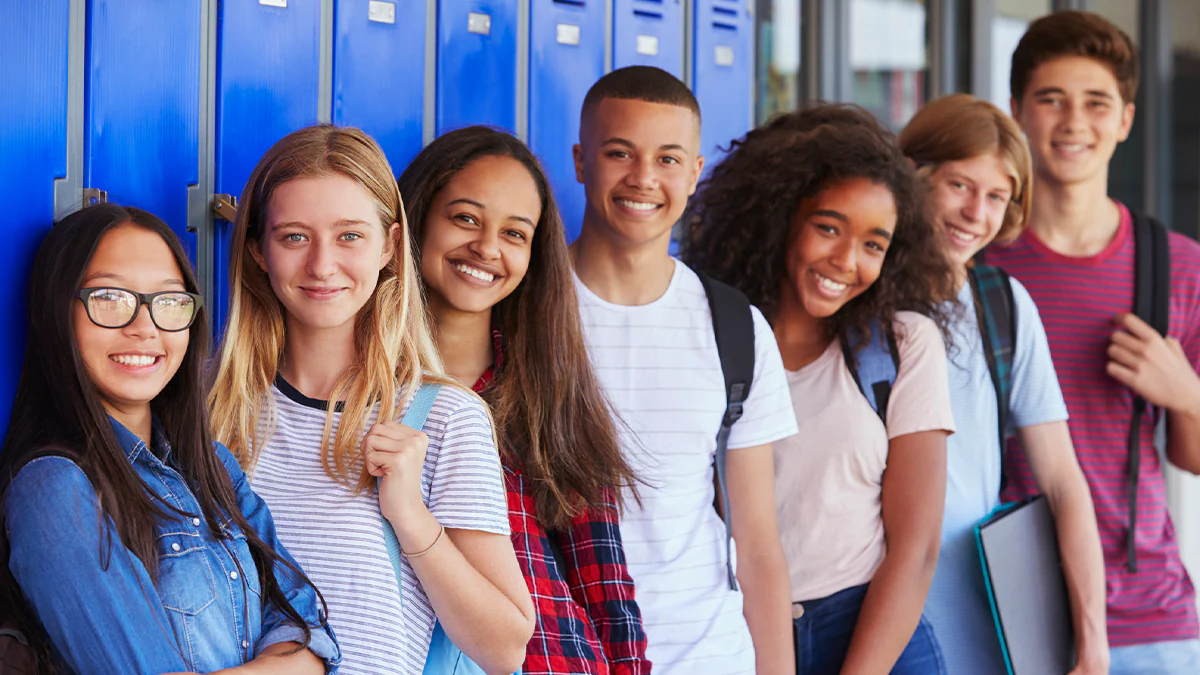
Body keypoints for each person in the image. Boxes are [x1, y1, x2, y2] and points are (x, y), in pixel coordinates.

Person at [207, 124, 535, 675]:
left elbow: (505, 648)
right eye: (293, 236)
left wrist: (410, 517)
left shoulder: (446, 418)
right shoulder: (209, 406)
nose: (321, 265)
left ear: (390, 246)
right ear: (258, 250)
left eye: (350, 236)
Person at [0, 203, 340, 674]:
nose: (144, 327)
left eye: (169, 302)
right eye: (109, 299)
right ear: (58, 311)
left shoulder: (212, 467)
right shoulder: (56, 490)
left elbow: (307, 627)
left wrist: (304, 659)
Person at [685, 103, 956, 675]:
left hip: (870, 633)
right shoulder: (708, 336)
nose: (846, 261)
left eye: (873, 245)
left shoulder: (902, 346)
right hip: (736, 631)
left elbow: (915, 551)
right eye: (829, 228)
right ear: (782, 217)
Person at [985, 12, 1200, 673]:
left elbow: (1192, 457)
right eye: (1051, 100)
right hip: (996, 606)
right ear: (1018, 111)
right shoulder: (978, 266)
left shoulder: (1178, 266)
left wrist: (1188, 396)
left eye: (1096, 103)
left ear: (1126, 120)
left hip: (1145, 615)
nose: (1074, 121)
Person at [568, 65, 797, 675]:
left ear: (695, 173)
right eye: (620, 152)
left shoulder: (735, 327)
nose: (644, 178)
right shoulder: (523, 310)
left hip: (706, 655)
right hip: (560, 654)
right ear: (580, 160)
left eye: (668, 159)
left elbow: (757, 544)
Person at [400, 125, 650, 675]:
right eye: (465, 218)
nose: (487, 248)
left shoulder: (548, 394)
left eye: (515, 234)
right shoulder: (355, 392)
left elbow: (605, 586)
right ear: (415, 219)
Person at [899, 93, 1110, 675]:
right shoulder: (862, 296)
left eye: (997, 196)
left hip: (985, 617)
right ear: (914, 177)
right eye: (960, 186)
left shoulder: (1003, 305)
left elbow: (1064, 482)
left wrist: (1091, 645)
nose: (976, 213)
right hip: (869, 614)